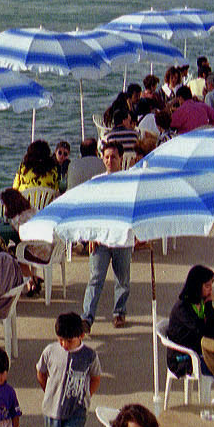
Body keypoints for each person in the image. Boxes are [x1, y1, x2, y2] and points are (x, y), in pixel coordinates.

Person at [35, 312, 101, 427]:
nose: (64, 344)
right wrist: (49, 392)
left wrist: (86, 395)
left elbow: (95, 377)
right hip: (52, 411)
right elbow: (41, 372)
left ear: (81, 336)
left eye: (69, 341)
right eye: (60, 340)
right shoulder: (50, 351)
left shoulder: (89, 355)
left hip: (76, 412)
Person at [81, 141, 132, 330]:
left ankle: (119, 312)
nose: (110, 160)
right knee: (95, 279)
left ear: (121, 159)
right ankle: (87, 318)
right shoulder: (97, 182)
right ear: (102, 158)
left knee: (122, 279)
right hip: (100, 239)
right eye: (107, 156)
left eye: (114, 157)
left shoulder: (128, 181)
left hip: (122, 238)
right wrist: (92, 236)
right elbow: (90, 211)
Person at [167, 264, 214, 378]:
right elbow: (207, 332)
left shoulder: (203, 302)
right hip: (184, 357)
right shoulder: (183, 308)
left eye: (211, 285)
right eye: (207, 286)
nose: (211, 289)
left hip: (201, 349)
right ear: (196, 287)